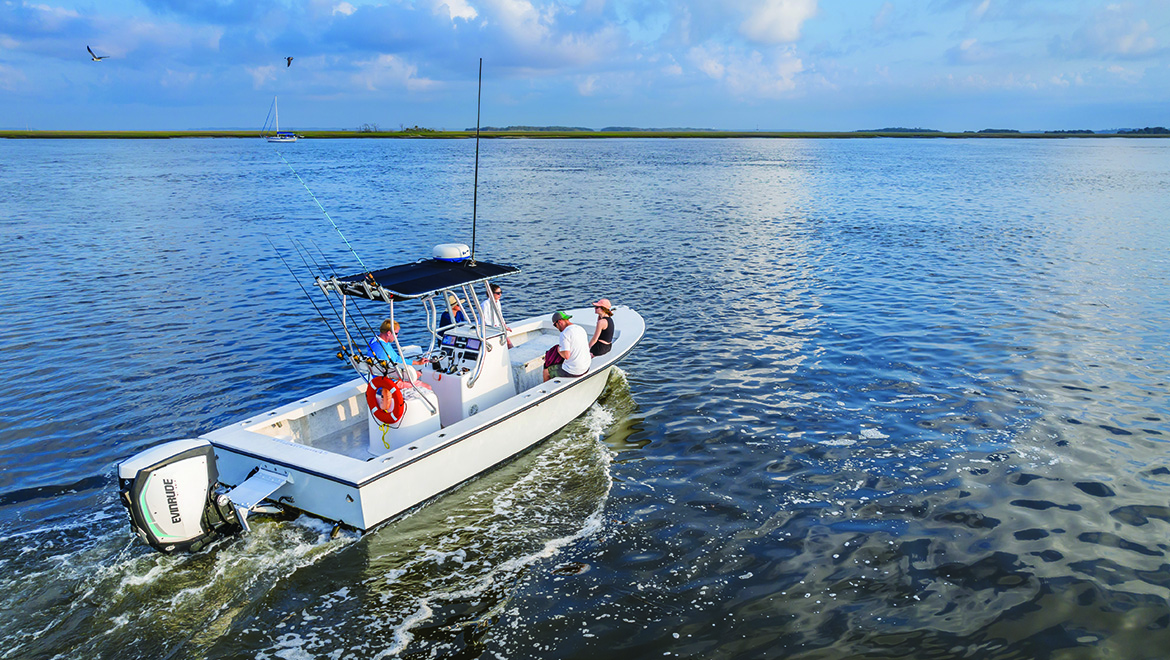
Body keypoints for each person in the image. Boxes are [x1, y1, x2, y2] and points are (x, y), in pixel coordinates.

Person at [543, 311, 590, 381]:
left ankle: (547, 390)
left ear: (559, 322)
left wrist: (558, 350)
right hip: (586, 367)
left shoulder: (565, 333)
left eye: (555, 325)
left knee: (546, 372)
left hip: (575, 371)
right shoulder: (580, 328)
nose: (557, 328)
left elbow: (566, 356)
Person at [480, 283, 513, 347]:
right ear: (491, 294)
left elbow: (500, 316)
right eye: (498, 293)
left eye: (501, 292)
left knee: (507, 340)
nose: (500, 294)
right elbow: (485, 319)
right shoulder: (485, 304)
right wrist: (495, 329)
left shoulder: (498, 302)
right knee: (507, 341)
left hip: (496, 328)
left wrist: (505, 326)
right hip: (488, 329)